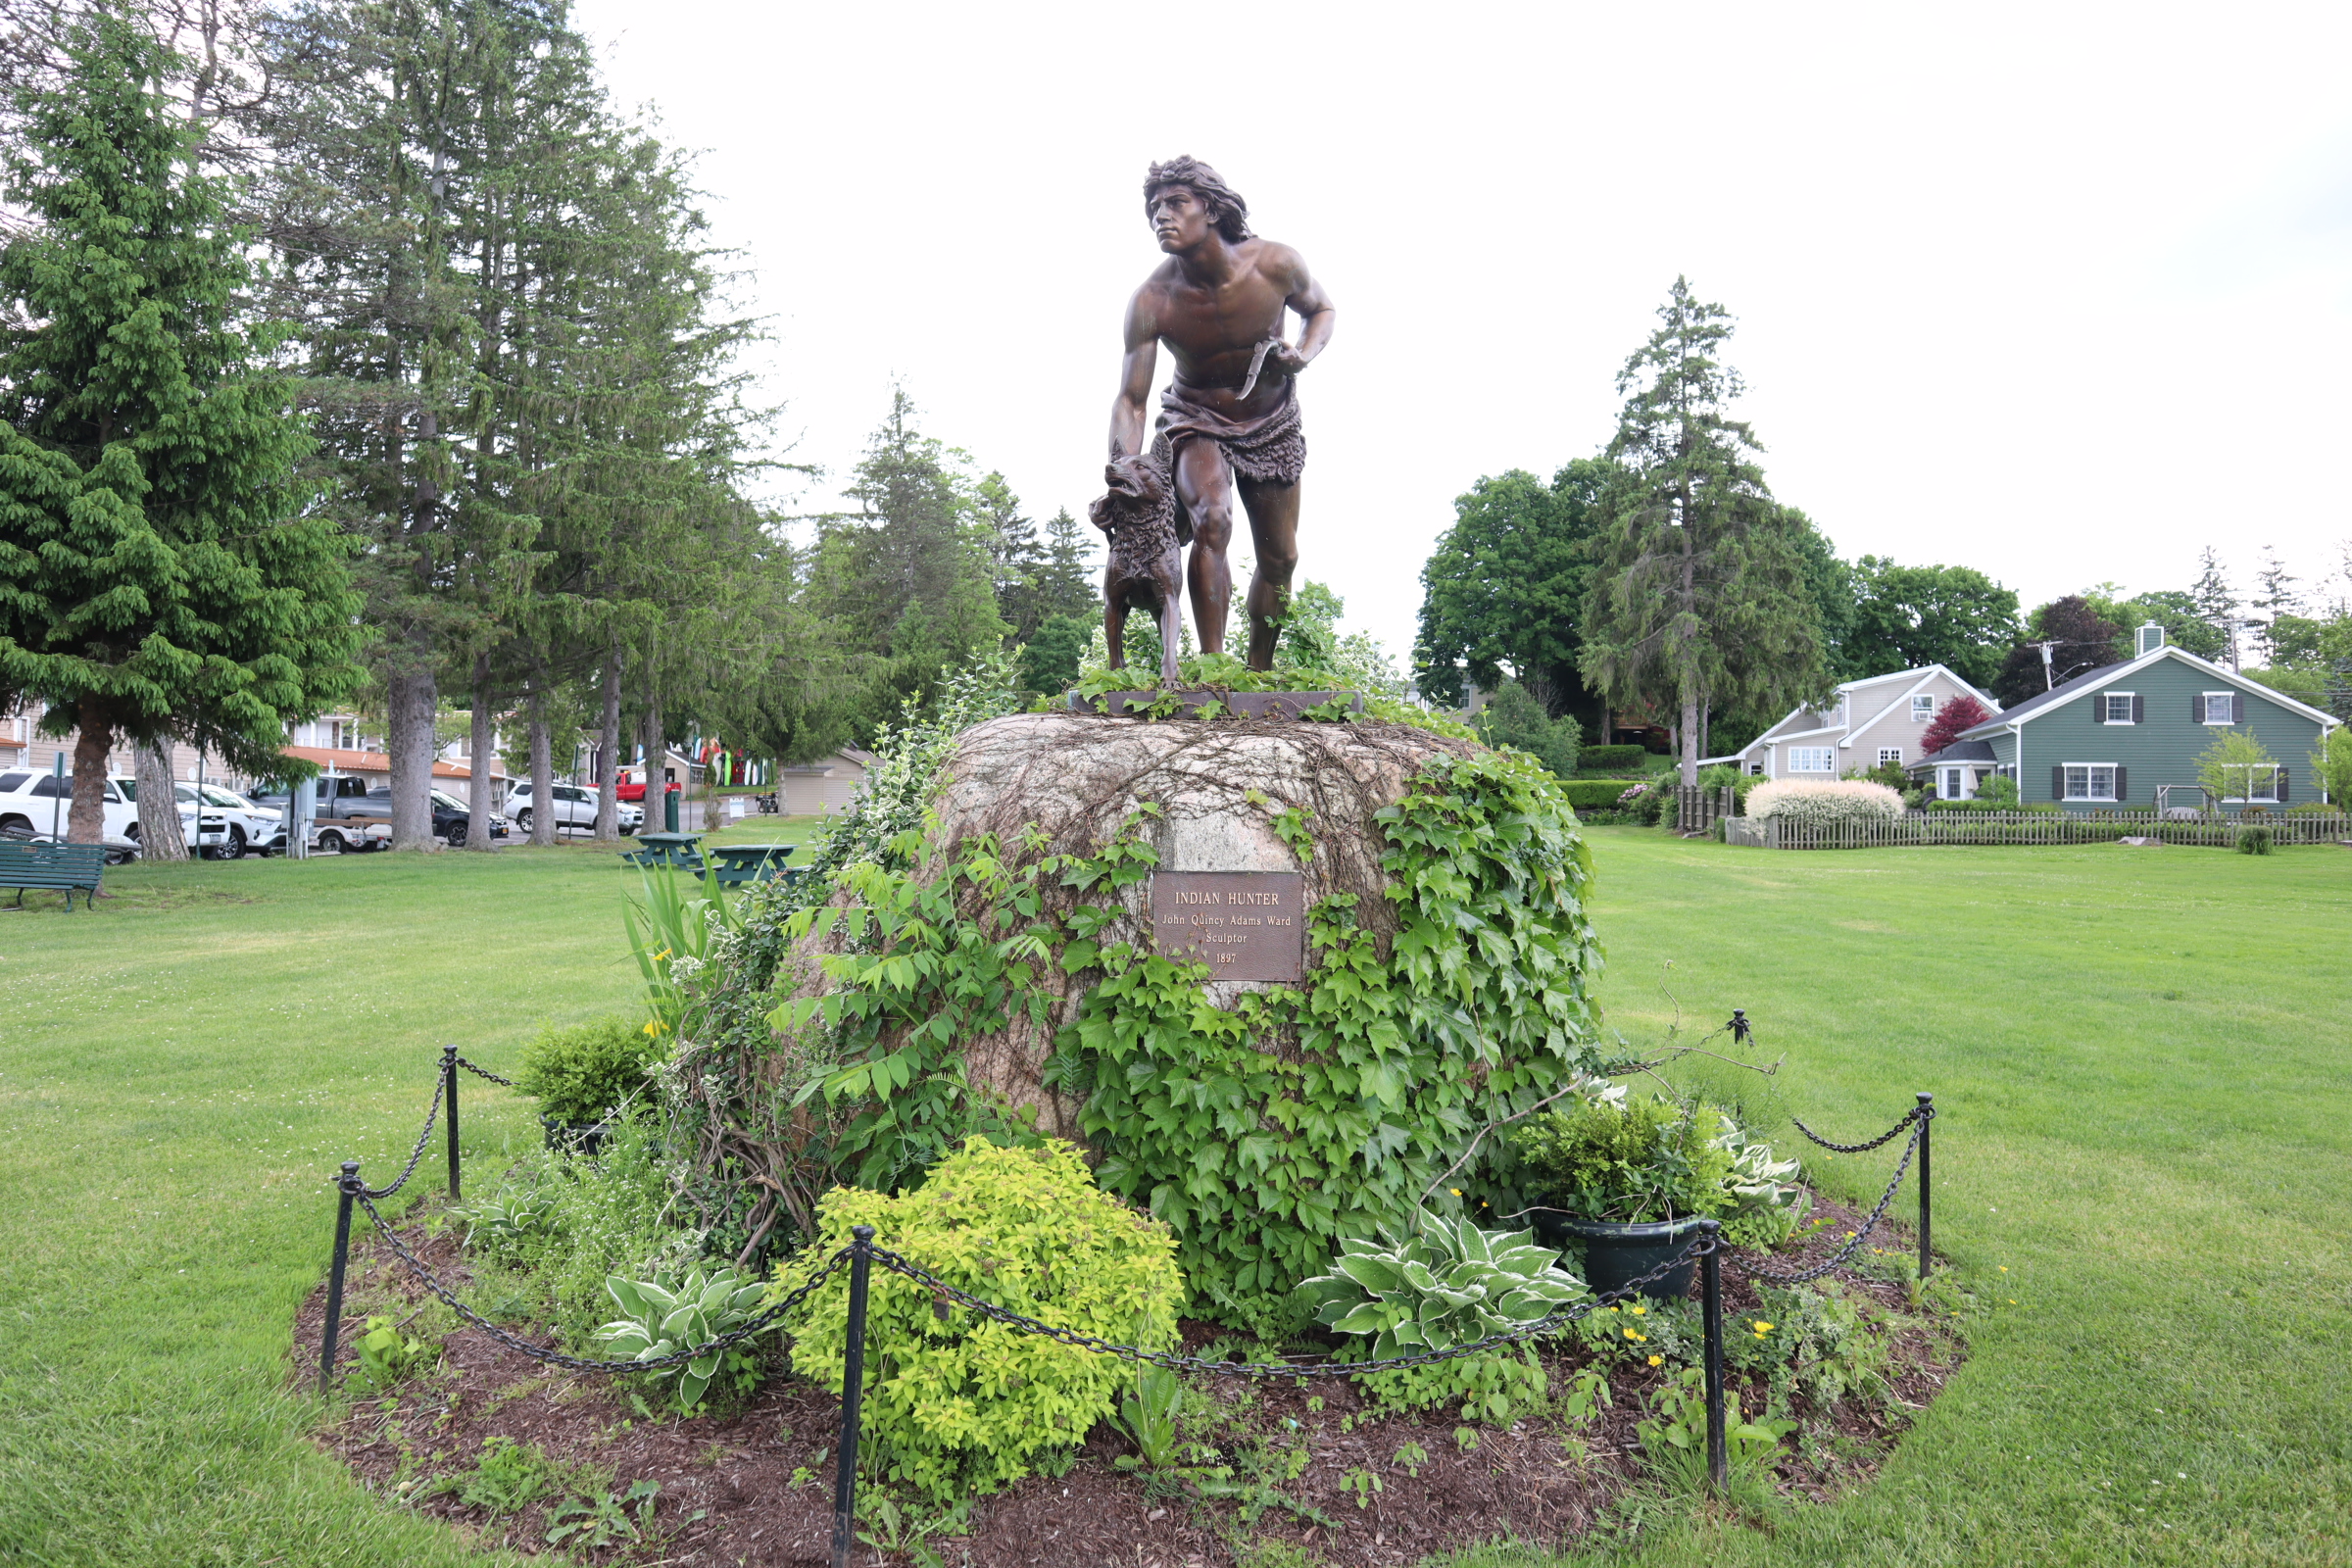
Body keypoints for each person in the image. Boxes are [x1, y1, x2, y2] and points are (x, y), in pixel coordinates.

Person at [1108, 157, 1336, 670]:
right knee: (1213, 518)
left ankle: (1258, 672)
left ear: (1210, 209)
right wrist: (1122, 469)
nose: (1160, 216)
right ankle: (1213, 670)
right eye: (1154, 207)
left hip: (1272, 420)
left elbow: (1322, 309)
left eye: (1175, 203)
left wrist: (1302, 353)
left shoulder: (1276, 263)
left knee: (1282, 558)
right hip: (1194, 418)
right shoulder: (1152, 300)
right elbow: (1131, 401)